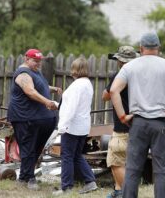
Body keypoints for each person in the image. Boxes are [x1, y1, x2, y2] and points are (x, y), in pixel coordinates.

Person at [110, 32, 165, 198]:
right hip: (161, 124)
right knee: (162, 171)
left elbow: (113, 90)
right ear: (158, 48)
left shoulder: (129, 67)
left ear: (140, 48)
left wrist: (122, 117)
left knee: (132, 170)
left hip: (138, 124)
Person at [7, 48, 62, 190]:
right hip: (25, 118)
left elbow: (39, 86)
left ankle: (23, 178)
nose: (38, 64)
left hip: (41, 118)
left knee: (35, 149)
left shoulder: (35, 72)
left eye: (40, 61)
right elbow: (30, 91)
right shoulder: (22, 74)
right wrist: (47, 102)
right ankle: (30, 178)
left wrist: (52, 89)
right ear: (26, 59)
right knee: (28, 148)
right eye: (35, 61)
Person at [53, 57, 98, 196]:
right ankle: (90, 181)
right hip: (83, 126)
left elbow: (71, 108)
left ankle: (66, 187)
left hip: (72, 126)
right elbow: (75, 106)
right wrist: (57, 105)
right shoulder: (87, 84)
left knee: (67, 156)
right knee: (76, 155)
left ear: (75, 70)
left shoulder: (76, 86)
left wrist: (62, 126)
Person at [102, 46, 139, 198]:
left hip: (123, 126)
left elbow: (106, 95)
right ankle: (118, 191)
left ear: (120, 60)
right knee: (127, 161)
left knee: (115, 159)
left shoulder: (120, 75)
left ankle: (125, 193)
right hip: (140, 124)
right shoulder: (141, 75)